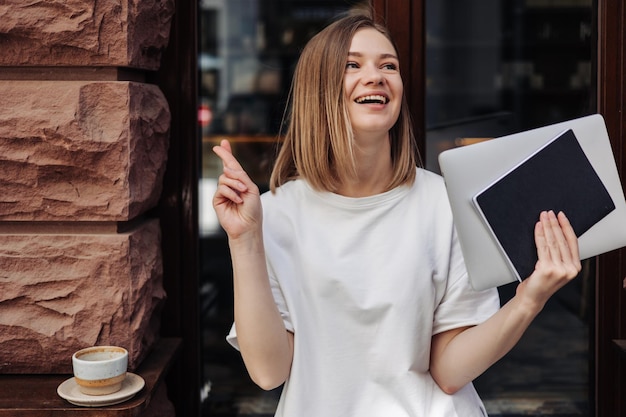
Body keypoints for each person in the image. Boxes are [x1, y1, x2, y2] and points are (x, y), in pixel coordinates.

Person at [212, 13, 581, 417]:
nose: (376, 76)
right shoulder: (274, 214)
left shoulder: (444, 204)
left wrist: (529, 298)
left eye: (388, 65)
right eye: (352, 65)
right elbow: (269, 372)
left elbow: (450, 371)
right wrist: (245, 241)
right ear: (317, 90)